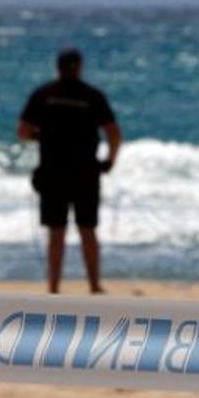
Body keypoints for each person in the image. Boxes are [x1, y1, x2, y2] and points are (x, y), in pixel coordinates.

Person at [17, 48, 122, 295]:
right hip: (86, 173)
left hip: (53, 172)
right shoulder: (92, 96)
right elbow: (114, 133)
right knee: (88, 229)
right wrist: (110, 161)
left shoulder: (44, 94)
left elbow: (23, 131)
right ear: (80, 67)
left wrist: (42, 136)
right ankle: (94, 285)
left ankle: (53, 287)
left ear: (58, 67)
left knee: (56, 232)